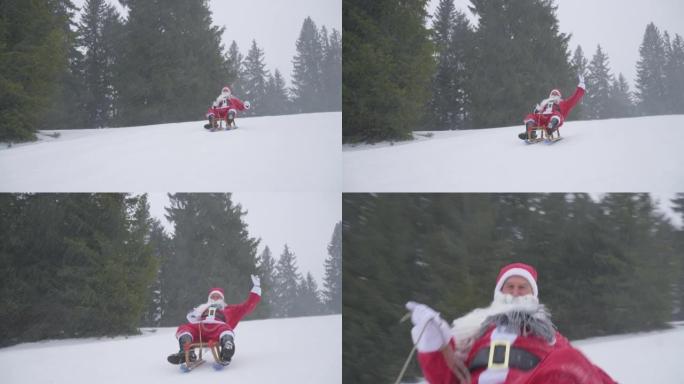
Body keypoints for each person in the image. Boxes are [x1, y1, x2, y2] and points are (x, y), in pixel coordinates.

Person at [406, 263, 617, 383]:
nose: (515, 292)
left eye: (522, 287)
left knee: (569, 359)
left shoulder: (549, 336)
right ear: (499, 291)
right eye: (510, 286)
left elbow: (586, 371)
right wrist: (434, 340)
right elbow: (446, 378)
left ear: (533, 294)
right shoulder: (475, 331)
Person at [167, 274, 261, 366]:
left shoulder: (229, 309)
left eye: (218, 297)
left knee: (225, 329)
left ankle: (227, 348)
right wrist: (194, 313)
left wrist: (256, 288)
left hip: (218, 329)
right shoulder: (202, 308)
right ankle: (186, 352)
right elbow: (191, 318)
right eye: (213, 296)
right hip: (201, 329)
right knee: (184, 328)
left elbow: (247, 306)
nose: (215, 298)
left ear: (222, 299)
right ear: (209, 298)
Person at [518, 76, 586, 140]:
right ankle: (530, 133)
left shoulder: (563, 103)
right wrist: (537, 111)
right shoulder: (545, 103)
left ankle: (550, 127)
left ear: (559, 96)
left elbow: (574, 98)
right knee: (531, 116)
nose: (554, 95)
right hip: (543, 119)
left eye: (556, 94)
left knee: (556, 114)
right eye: (553, 94)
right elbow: (537, 114)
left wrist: (581, 86)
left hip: (554, 119)